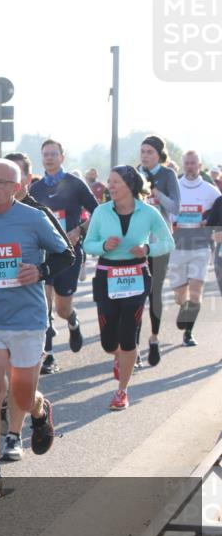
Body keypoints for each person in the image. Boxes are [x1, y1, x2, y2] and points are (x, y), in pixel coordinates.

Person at [0, 160, 72, 500]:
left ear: (16, 187)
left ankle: (39, 411)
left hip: (26, 320)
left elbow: (66, 255)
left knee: (21, 396)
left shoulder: (34, 218)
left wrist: (40, 271)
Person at [83, 166, 174, 410]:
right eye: (109, 181)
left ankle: (122, 391)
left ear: (130, 185)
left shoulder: (149, 212)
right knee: (108, 343)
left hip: (136, 275)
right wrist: (103, 245)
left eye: (115, 182)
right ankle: (118, 356)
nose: (110, 186)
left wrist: (147, 250)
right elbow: (87, 245)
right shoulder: (102, 212)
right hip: (106, 276)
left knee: (128, 334)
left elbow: (168, 242)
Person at [28, 139, 99, 375]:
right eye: (45, 154)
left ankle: (73, 321)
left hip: (68, 253)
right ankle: (48, 355)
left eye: (53, 154)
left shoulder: (75, 184)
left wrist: (80, 230)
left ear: (62, 156)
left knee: (61, 308)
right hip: (44, 253)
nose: (49, 158)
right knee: (44, 305)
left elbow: (98, 212)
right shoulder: (35, 189)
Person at [167, 151, 220, 346]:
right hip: (178, 246)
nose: (190, 167)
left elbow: (219, 215)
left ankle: (188, 333)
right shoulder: (174, 188)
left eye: (193, 163)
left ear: (199, 165)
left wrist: (208, 223)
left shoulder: (210, 191)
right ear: (183, 165)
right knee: (181, 296)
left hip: (200, 247)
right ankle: (184, 308)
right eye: (187, 163)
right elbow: (165, 215)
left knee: (196, 292)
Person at [137, 135, 180, 366]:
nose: (144, 156)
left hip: (159, 241)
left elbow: (176, 207)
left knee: (154, 291)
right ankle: (132, 347)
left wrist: (156, 194)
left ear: (159, 155)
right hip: (136, 241)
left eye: (149, 152)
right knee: (135, 293)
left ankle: (153, 338)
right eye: (142, 151)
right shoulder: (134, 173)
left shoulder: (167, 175)